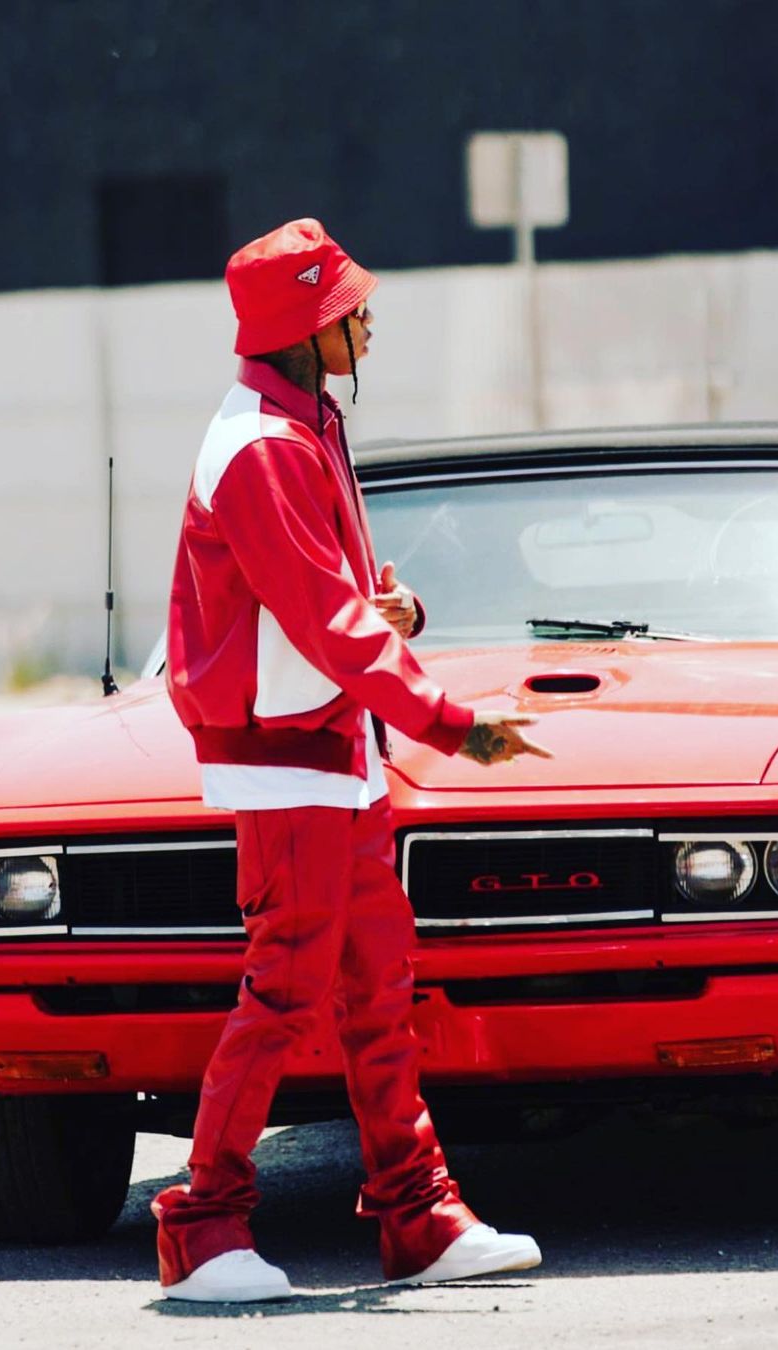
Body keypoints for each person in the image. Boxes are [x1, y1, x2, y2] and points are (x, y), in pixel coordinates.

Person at [157, 218, 553, 1303]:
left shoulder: (302, 422)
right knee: (286, 990)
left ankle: (420, 1220)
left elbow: (338, 599)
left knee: (377, 988)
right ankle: (203, 1231)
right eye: (349, 310)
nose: (369, 323)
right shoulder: (264, 445)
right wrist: (454, 724)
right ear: (304, 330)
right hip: (288, 751)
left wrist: (398, 607)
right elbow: (327, 623)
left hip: (329, 742)